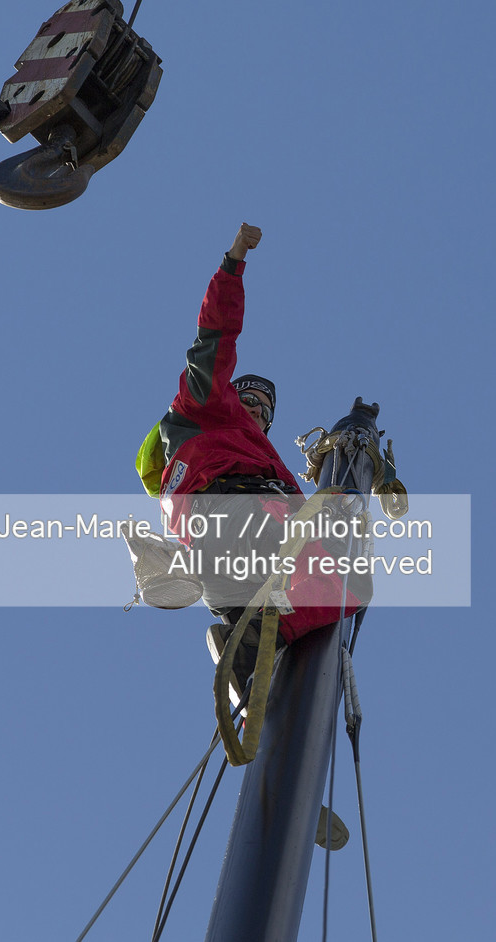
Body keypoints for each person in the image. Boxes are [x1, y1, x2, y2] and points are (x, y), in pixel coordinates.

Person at [152, 223, 364, 666]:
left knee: (345, 585)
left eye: (265, 410)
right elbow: (214, 337)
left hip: (228, 562)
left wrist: (332, 507)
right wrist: (232, 265)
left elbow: (299, 507)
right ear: (231, 394)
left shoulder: (264, 460)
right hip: (233, 516)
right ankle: (245, 635)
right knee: (340, 568)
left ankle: (246, 653)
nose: (256, 411)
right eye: (249, 399)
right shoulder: (205, 405)